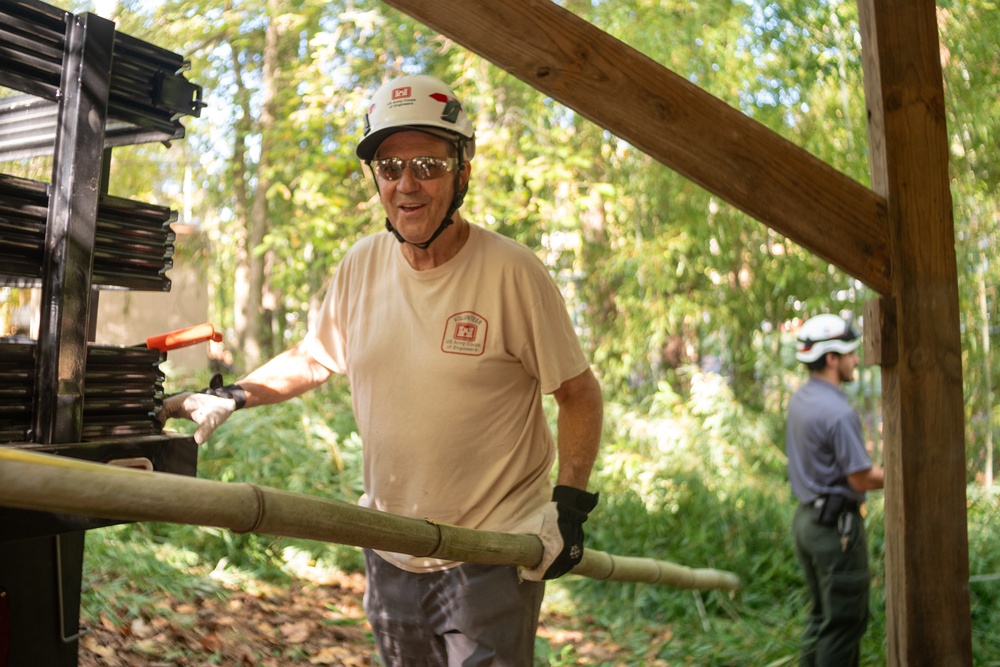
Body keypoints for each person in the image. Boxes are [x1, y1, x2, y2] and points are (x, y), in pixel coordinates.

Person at [162, 73, 603, 666]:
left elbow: (577, 393)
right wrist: (232, 395)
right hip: (388, 548)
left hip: (490, 555)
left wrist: (567, 508)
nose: (407, 185)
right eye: (390, 169)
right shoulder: (361, 264)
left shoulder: (512, 273)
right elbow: (315, 358)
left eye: (428, 164)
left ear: (463, 171)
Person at [786, 313, 884, 667]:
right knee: (843, 625)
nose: (856, 360)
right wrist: (903, 474)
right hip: (835, 530)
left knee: (820, 617)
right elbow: (861, 479)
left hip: (806, 522)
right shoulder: (837, 412)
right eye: (851, 353)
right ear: (832, 358)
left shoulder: (801, 400)